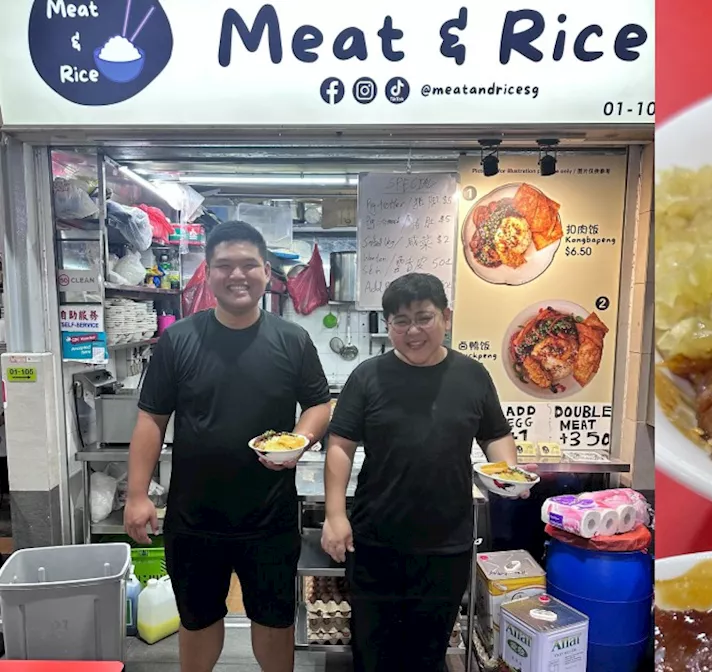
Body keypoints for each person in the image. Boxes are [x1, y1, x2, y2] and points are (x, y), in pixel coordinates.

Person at [123, 221, 332, 672]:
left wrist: (302, 439)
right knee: (198, 622)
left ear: (266, 271)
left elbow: (318, 403)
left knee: (274, 621)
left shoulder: (291, 339)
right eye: (224, 266)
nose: (237, 275)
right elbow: (150, 420)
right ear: (208, 273)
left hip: (270, 516)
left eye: (248, 265)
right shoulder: (179, 340)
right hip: (195, 518)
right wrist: (138, 495)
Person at [321, 273, 529, 672]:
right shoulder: (367, 376)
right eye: (401, 321)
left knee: (429, 654)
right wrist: (335, 515)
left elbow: (496, 436)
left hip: (446, 545)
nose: (413, 330)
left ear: (446, 317)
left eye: (424, 317)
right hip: (375, 541)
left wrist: (510, 473)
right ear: (388, 325)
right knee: (371, 651)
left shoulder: (472, 376)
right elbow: (340, 446)